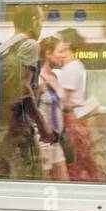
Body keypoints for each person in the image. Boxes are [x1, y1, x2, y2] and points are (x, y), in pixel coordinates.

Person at [0, 5, 56, 180]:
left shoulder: (2, 48)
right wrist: (43, 125)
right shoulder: (30, 45)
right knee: (28, 183)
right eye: (41, 21)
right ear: (34, 21)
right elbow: (24, 88)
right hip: (18, 128)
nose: (41, 26)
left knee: (1, 183)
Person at [50, 28, 101, 181]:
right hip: (77, 122)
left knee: (74, 166)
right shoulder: (75, 66)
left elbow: (65, 101)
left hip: (71, 123)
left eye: (58, 40)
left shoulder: (71, 68)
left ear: (67, 44)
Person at [36, 37, 68, 181]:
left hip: (56, 140)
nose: (63, 55)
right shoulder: (39, 80)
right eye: (60, 51)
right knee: (44, 184)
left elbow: (57, 106)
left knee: (64, 183)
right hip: (42, 142)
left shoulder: (55, 76)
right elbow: (31, 111)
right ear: (48, 53)